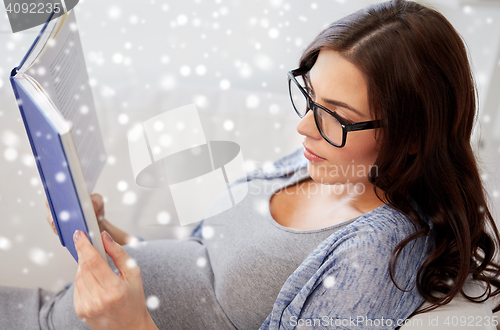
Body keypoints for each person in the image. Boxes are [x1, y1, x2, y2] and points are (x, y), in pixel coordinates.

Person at [1, 0, 500, 329]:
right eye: (310, 99)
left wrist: (129, 321)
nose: (304, 128)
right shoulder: (325, 161)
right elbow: (203, 269)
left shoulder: (374, 256)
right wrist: (102, 236)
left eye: (336, 117)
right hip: (41, 308)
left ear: (412, 137)